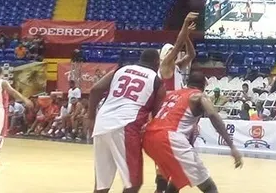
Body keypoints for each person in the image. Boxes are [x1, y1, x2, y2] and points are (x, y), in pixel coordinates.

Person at [143, 70, 242, 193]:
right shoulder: (198, 96)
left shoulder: (172, 95)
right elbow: (213, 115)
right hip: (169, 137)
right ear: (204, 85)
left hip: (149, 137)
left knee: (175, 181)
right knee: (209, 188)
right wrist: (231, 146)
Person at [88, 48, 164, 193]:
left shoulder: (122, 69)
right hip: (126, 126)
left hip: (102, 123)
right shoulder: (156, 80)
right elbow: (157, 116)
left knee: (101, 185)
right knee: (133, 183)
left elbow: (95, 89)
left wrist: (90, 117)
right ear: (157, 62)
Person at [0, 66, 32, 167]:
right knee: (0, 135)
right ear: (1, 73)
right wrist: (25, 99)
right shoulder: (3, 82)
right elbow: (13, 92)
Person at [160, 13, 199, 92]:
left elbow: (191, 55)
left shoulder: (176, 66)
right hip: (167, 100)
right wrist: (185, 22)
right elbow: (178, 46)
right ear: (164, 55)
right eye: (170, 51)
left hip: (175, 100)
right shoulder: (165, 65)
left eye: (172, 50)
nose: (173, 53)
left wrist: (186, 37)